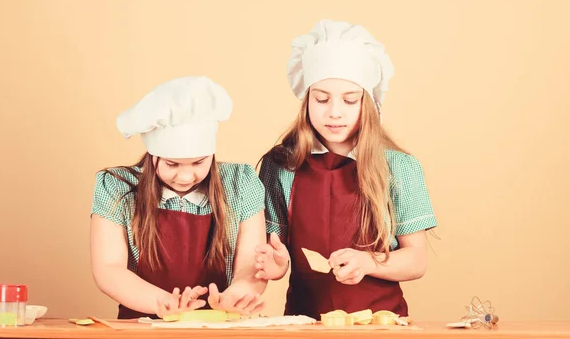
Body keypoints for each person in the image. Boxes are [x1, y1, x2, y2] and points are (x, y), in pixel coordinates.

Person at [254, 19, 438, 320]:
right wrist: (277, 267)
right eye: (322, 98)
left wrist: (368, 262)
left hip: (382, 323)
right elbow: (276, 250)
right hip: (304, 323)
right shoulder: (280, 166)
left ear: (367, 102)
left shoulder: (399, 167)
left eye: (350, 100)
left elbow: (417, 260)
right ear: (306, 100)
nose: (334, 112)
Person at [90, 76, 267, 319]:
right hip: (142, 329)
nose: (185, 176)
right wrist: (165, 303)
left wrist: (237, 295)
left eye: (198, 162)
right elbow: (109, 269)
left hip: (221, 328)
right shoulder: (116, 186)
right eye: (172, 164)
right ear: (153, 156)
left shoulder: (241, 183)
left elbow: (251, 263)